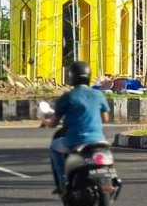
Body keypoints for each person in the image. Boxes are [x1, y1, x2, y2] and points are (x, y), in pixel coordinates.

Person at [40, 60, 110, 193]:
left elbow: (54, 123)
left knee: (54, 147)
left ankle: (62, 182)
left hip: (75, 140)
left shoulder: (68, 97)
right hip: (98, 139)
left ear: (71, 77)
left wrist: (45, 122)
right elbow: (105, 118)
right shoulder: (98, 94)